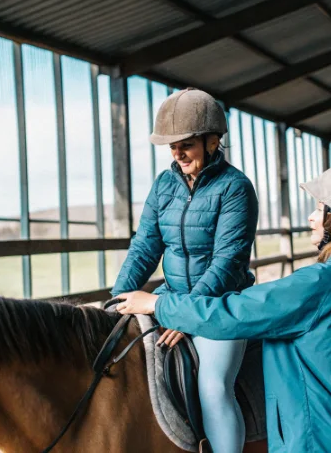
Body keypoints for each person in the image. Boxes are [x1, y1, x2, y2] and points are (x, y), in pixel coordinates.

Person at [116, 162, 331, 453]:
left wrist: (158, 303)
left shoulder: (322, 283)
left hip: (325, 441)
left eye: (320, 209)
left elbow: (233, 314)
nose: (310, 217)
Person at [110, 88, 259, 453]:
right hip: (172, 297)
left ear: (212, 142)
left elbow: (227, 262)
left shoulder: (236, 188)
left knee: (213, 389)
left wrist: (186, 313)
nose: (177, 153)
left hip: (221, 305)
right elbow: (145, 246)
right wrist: (116, 299)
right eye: (172, 146)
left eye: (186, 144)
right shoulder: (164, 186)